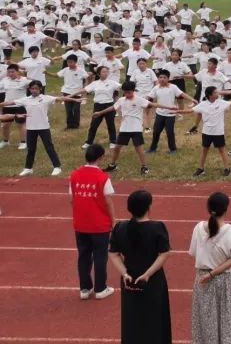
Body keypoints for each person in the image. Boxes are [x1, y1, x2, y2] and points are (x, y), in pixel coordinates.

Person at [108, 190, 172, 344]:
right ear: (149, 207)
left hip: (129, 280)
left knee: (131, 319)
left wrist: (124, 273)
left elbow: (113, 253)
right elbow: (164, 253)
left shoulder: (120, 228)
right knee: (156, 320)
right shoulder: (157, 227)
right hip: (152, 281)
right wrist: (148, 274)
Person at [189, 192, 231, 344]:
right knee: (227, 321)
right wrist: (214, 273)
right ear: (226, 209)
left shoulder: (198, 228)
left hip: (202, 280)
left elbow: (193, 253)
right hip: (224, 281)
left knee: (206, 322)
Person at [0, 79, 81, 176]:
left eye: (36, 89)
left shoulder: (46, 98)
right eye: (32, 88)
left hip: (43, 127)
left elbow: (61, 98)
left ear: (40, 89)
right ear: (29, 89)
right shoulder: (25, 100)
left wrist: (75, 99)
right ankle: (28, 168)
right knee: (31, 149)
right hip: (30, 128)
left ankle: (57, 167)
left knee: (49, 147)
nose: (34, 90)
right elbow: (10, 103)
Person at [70, 144, 116, 300]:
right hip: (99, 226)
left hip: (80, 224)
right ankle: (100, 288)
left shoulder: (74, 175)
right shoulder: (103, 177)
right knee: (100, 256)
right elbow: (108, 201)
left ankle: (84, 288)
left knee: (83, 256)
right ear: (100, 158)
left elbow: (72, 199)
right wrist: (113, 221)